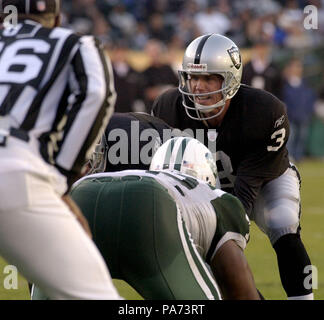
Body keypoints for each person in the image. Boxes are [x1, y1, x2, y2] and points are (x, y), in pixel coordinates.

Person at [152, 33, 313, 300]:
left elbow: (245, 194)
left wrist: (228, 235)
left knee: (281, 220)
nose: (198, 87)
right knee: (206, 253)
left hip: (264, 179)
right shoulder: (167, 108)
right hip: (201, 182)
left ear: (230, 79)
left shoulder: (264, 111)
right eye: (193, 77)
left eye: (208, 78)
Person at [33, 137, 261, 300]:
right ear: (207, 175)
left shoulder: (146, 176)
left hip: (82, 192)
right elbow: (241, 292)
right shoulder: (216, 198)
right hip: (148, 204)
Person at [0, 0, 121, 299]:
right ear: (56, 19)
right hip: (16, 172)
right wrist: (61, 178)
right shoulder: (77, 44)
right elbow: (96, 93)